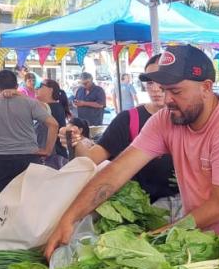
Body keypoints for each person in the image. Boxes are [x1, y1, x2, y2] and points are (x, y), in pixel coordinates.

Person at [46, 44, 219, 257]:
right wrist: (69, 218)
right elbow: (117, 171)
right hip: (204, 245)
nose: (167, 99)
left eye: (176, 91)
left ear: (206, 88)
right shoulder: (165, 120)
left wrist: (153, 239)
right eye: (163, 89)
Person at [60, 54, 181, 218]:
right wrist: (76, 140)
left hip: (187, 210)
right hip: (137, 215)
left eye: (162, 80)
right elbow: (90, 159)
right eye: (150, 82)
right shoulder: (129, 119)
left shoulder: (189, 119)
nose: (155, 88)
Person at [0, 69, 59, 197]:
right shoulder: (30, 102)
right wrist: (47, 150)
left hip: (0, 158)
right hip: (28, 157)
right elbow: (53, 124)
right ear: (17, 86)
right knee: (30, 200)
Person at [36, 79, 71, 169]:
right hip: (55, 156)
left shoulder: (48, 106)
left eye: (40, 86)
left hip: (52, 158)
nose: (36, 88)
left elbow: (28, 103)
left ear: (50, 90)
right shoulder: (56, 106)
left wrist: (17, 94)